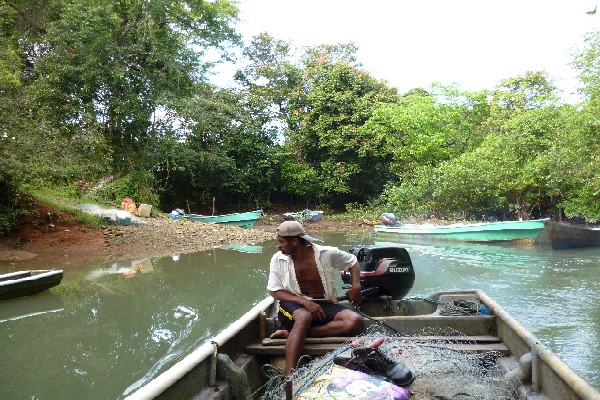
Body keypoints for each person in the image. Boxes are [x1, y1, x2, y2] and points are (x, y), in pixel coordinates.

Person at [267, 221, 364, 375]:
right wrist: (304, 301)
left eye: (281, 242)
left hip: (322, 304)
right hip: (291, 304)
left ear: (294, 241)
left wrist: (356, 286)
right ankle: (289, 375)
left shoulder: (326, 253)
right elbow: (275, 291)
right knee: (304, 317)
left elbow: (352, 261)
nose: (279, 246)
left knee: (354, 321)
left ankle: (292, 333)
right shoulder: (278, 259)